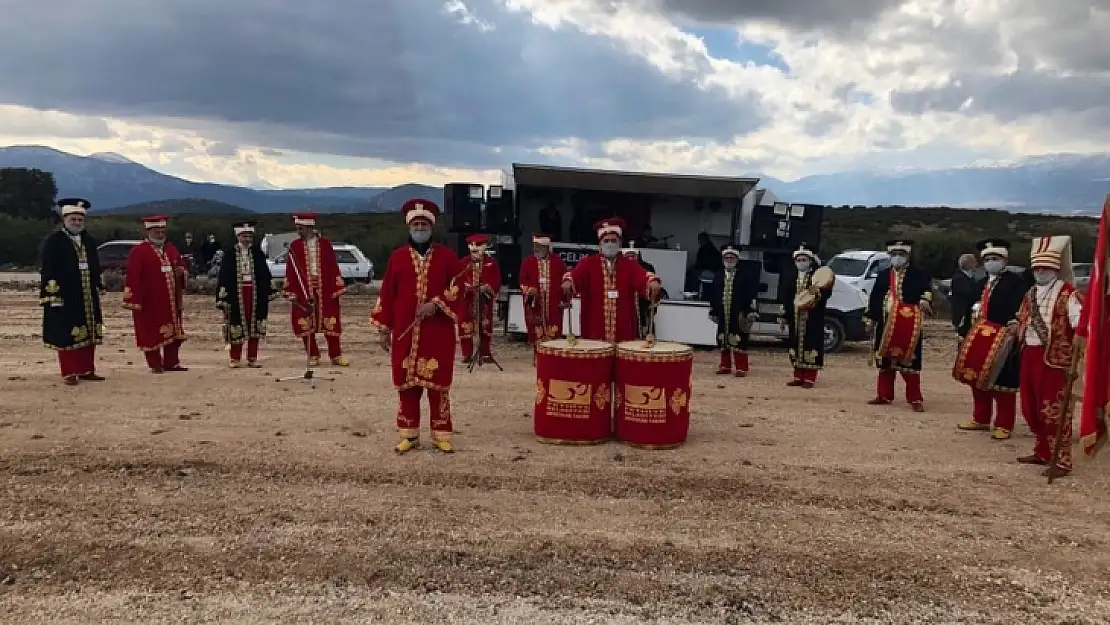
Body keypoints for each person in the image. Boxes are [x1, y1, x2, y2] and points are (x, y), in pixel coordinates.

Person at [370, 199, 461, 454]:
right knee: (407, 386)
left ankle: (441, 433)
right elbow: (387, 293)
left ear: (431, 227)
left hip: (437, 332)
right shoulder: (397, 257)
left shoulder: (446, 256)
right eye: (416, 223)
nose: (420, 227)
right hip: (404, 331)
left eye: (424, 223)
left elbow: (459, 288)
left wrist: (437, 303)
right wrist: (383, 328)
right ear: (409, 227)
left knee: (438, 386)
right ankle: (409, 434)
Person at [1016, 236, 1083, 479]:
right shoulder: (1030, 293)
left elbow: (1080, 325)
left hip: (1055, 359)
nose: (1040, 271)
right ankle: (1042, 450)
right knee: (1031, 406)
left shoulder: (1068, 294)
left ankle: (1062, 460)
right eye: (1036, 267)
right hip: (1030, 354)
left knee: (1054, 410)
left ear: (1055, 268)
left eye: (1044, 267)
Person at [956, 240, 1025, 439]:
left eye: (995, 259)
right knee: (977, 379)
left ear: (1004, 260)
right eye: (987, 259)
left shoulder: (1015, 283)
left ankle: (1004, 424)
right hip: (979, 337)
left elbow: (1018, 309)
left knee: (1003, 382)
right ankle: (981, 419)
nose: (991, 262)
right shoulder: (981, 283)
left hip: (1003, 336)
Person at [561, 217, 662, 342]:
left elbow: (642, 276)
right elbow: (574, 275)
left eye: (613, 241)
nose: (610, 244)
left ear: (619, 243)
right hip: (595, 327)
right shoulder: (588, 263)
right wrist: (568, 281)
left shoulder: (629, 265)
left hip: (623, 329)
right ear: (600, 244)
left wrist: (652, 282)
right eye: (606, 240)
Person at [39, 198, 105, 385]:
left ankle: (86, 369)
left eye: (79, 220)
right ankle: (69, 372)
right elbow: (48, 268)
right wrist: (52, 295)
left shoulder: (88, 240)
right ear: (64, 220)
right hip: (65, 294)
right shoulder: (54, 241)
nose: (77, 223)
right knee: (65, 332)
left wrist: (97, 283)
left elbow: (94, 264)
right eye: (73, 220)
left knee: (89, 331)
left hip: (86, 294)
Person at [864, 239, 932, 411]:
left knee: (909, 362)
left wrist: (924, 300)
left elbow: (926, 291)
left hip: (908, 324)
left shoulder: (918, 274)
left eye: (901, 255)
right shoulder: (884, 274)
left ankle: (915, 399)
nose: (897, 258)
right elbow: (874, 298)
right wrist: (870, 319)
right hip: (885, 323)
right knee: (886, 361)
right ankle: (884, 395)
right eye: (894, 255)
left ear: (907, 256)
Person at [122, 215, 189, 373]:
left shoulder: (171, 249)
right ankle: (155, 364)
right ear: (148, 231)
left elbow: (182, 265)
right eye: (156, 231)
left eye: (162, 231)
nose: (160, 234)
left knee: (173, 331)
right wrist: (134, 299)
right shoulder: (139, 251)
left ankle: (171, 362)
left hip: (171, 300)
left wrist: (182, 272)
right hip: (150, 300)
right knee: (150, 331)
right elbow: (133, 276)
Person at [283, 212, 349, 367]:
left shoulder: (325, 244)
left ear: (309, 227)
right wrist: (290, 291)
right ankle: (313, 354)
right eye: (297, 228)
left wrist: (337, 286)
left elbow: (332, 265)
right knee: (304, 321)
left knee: (330, 320)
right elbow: (291, 270)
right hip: (303, 289)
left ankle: (336, 355)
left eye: (300, 228)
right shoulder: (295, 246)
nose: (298, 231)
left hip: (325, 288)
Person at [216, 221, 273, 368]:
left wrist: (267, 288)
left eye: (249, 236)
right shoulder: (230, 254)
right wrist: (224, 296)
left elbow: (264, 273)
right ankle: (235, 358)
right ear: (238, 236)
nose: (247, 239)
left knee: (254, 324)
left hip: (255, 292)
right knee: (236, 323)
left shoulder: (257, 253)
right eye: (244, 236)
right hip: (237, 292)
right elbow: (224, 275)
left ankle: (252, 358)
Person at [778, 244, 832, 387]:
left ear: (810, 260)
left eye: (804, 259)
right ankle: (798, 376)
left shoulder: (817, 276)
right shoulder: (792, 277)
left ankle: (809, 378)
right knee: (794, 345)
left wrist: (817, 294)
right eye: (799, 260)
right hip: (795, 318)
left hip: (812, 318)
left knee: (811, 344)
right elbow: (785, 296)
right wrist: (783, 315)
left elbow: (826, 293)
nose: (801, 262)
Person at [708, 245, 758, 376]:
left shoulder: (745, 275)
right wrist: (713, 309)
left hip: (739, 313)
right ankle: (725, 365)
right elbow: (713, 293)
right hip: (723, 312)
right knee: (723, 339)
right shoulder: (718, 275)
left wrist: (750, 310)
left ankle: (741, 368)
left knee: (739, 339)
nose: (729, 260)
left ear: (737, 259)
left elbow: (751, 293)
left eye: (732, 257)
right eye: (727, 257)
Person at [454, 233, 502, 364]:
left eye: (479, 246)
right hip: (467, 299)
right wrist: (466, 288)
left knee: (485, 324)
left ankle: (485, 352)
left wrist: (488, 287)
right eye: (472, 246)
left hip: (484, 299)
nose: (475, 249)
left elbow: (496, 281)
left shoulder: (491, 263)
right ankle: (467, 353)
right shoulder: (463, 263)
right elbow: (457, 280)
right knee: (465, 324)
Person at [518, 234, 567, 350]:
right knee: (536, 332)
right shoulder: (528, 262)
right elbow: (522, 281)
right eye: (535, 246)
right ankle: (538, 358)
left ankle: (553, 359)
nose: (536, 249)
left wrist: (565, 300)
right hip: (535, 304)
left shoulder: (558, 262)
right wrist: (529, 290)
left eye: (540, 246)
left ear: (547, 247)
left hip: (554, 304)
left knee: (554, 333)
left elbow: (565, 281)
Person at [622, 245, 655, 338]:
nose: (631, 258)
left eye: (633, 256)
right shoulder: (618, 268)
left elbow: (651, 285)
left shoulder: (646, 267)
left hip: (641, 304)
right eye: (628, 256)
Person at [949, 253, 983, 339]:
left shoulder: (970, 277)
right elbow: (968, 293)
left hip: (970, 314)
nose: (976, 264)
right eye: (974, 262)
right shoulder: (959, 278)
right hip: (963, 314)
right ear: (968, 264)